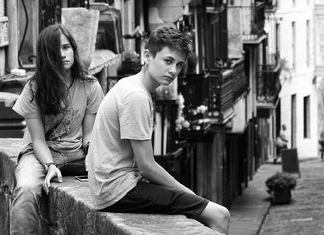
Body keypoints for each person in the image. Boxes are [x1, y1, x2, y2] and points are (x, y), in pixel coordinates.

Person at [86, 25, 230, 234]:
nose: (173, 70)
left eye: (179, 65)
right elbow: (147, 166)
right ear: (147, 56)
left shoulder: (131, 85)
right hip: (118, 191)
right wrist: (189, 193)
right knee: (220, 214)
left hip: (111, 188)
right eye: (168, 61)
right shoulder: (136, 97)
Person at [10, 24, 104, 234]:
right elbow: (38, 140)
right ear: (46, 55)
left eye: (66, 47)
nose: (62, 54)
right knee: (25, 189)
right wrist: (50, 164)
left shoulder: (90, 86)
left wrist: (93, 153)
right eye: (56, 50)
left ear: (73, 49)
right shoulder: (34, 88)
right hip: (40, 154)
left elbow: (88, 134)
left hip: (76, 155)